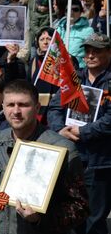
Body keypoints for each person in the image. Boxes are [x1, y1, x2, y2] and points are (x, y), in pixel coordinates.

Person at [0, 80, 86, 234]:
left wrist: (39, 219)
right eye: (10, 105)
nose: (16, 111)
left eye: (23, 105)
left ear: (37, 107)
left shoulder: (63, 149)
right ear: (3, 107)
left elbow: (80, 208)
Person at [47, 33, 111, 234]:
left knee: (95, 216)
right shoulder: (74, 78)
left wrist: (84, 132)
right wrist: (60, 130)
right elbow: (55, 108)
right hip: (72, 157)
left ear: (108, 52)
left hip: (101, 160)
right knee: (72, 213)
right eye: (87, 51)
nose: (90, 55)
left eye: (97, 51)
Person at [55, 0, 94, 67]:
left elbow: (91, 52)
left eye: (75, 10)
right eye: (68, 10)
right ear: (65, 12)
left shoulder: (88, 30)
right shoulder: (59, 28)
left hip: (78, 69)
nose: (71, 12)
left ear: (81, 12)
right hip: (59, 67)